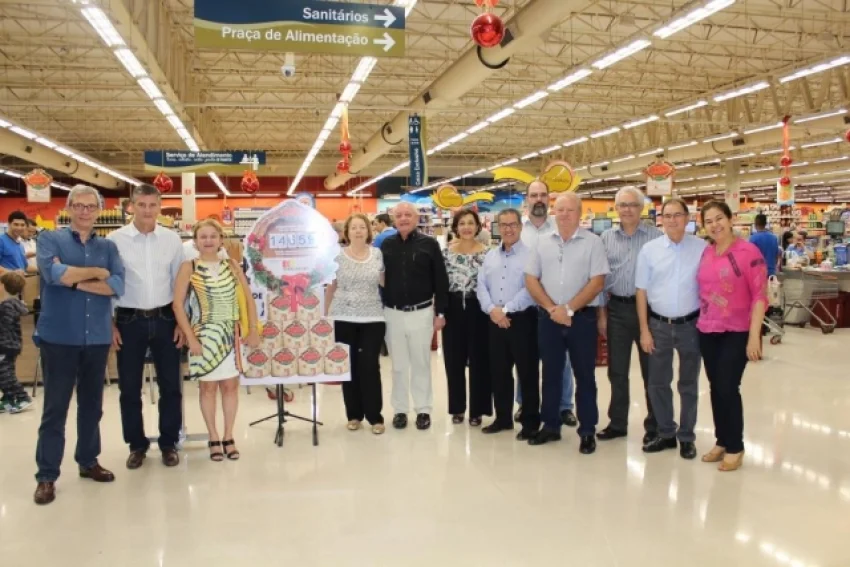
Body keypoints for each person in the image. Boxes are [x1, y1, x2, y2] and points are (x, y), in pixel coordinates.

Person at [33, 185, 125, 506]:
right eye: (79, 206)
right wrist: (96, 274)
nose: (85, 212)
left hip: (96, 338)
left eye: (91, 206)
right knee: (55, 408)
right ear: (69, 208)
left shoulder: (109, 247)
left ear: (99, 210)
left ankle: (88, 461)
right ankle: (47, 475)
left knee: (92, 407)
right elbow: (52, 273)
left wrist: (74, 280)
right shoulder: (49, 239)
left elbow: (117, 284)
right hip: (59, 337)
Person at [107, 184, 186, 470]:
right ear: (131, 206)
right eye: (141, 205)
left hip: (166, 318)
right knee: (129, 388)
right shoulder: (114, 241)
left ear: (160, 207)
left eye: (153, 205)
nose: (147, 211)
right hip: (128, 319)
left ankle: (168, 443)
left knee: (172, 387)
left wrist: (182, 321)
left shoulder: (171, 240)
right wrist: (110, 324)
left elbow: (180, 283)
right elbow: (108, 283)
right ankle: (137, 445)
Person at [525, 193, 609, 454]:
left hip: (582, 318)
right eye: (559, 209)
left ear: (580, 213)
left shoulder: (593, 243)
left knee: (585, 376)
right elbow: (531, 279)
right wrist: (553, 308)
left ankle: (587, 431)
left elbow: (597, 282)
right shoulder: (540, 243)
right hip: (548, 318)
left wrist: (570, 308)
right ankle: (550, 425)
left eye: (570, 210)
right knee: (550, 374)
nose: (564, 214)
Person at [173, 219, 259, 461]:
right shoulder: (188, 267)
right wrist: (191, 337)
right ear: (196, 241)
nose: (208, 241)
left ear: (221, 239)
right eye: (203, 236)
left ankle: (229, 435)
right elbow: (177, 305)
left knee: (231, 387)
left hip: (231, 335)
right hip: (202, 335)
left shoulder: (232, 265)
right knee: (208, 388)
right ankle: (213, 436)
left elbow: (248, 299)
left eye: (213, 236)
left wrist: (252, 329)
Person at [697, 200, 768, 472]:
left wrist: (754, 337)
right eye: (709, 221)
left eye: (719, 219)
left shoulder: (748, 252)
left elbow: (760, 296)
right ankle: (722, 440)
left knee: (728, 386)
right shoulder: (707, 253)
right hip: (707, 329)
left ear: (730, 219)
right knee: (716, 388)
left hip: (737, 332)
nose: (715, 225)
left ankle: (735, 445)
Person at [636, 198, 706, 460]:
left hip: (691, 325)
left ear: (688, 218)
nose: (673, 220)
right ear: (660, 219)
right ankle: (666, 433)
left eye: (678, 215)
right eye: (668, 215)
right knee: (657, 382)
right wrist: (644, 329)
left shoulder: (701, 249)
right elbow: (641, 291)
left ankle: (687, 436)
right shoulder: (650, 250)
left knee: (688, 383)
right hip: (658, 325)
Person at [597, 187, 662, 444]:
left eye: (633, 204)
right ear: (616, 208)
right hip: (617, 310)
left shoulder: (657, 237)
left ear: (641, 208)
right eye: (622, 205)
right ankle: (618, 422)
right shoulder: (606, 238)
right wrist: (602, 315)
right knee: (617, 371)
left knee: (652, 371)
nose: (627, 209)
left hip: (650, 312)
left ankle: (655, 424)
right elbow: (600, 280)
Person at [380, 201, 449, 431]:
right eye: (399, 215)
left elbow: (441, 281)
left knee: (421, 363)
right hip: (392, 313)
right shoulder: (386, 245)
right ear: (393, 219)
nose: (403, 218)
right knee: (398, 365)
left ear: (416, 217)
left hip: (421, 312)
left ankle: (423, 410)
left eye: (408, 214)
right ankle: (400, 410)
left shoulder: (429, 245)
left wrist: (441, 312)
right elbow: (379, 279)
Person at [518, 180, 576, 427]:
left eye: (543, 195)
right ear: (527, 199)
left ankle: (564, 406)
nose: (538, 199)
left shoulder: (562, 226)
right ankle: (525, 403)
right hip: (524, 305)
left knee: (562, 360)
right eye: (534, 195)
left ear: (549, 199)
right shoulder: (517, 230)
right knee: (526, 358)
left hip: (555, 306)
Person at [477, 208, 538, 436]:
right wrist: (493, 310)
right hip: (494, 321)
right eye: (504, 225)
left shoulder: (531, 255)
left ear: (520, 227)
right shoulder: (490, 256)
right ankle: (503, 418)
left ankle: (531, 422)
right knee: (499, 372)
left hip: (522, 320)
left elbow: (531, 289)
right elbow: (481, 286)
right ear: (497, 228)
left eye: (513, 225)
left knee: (527, 372)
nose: (508, 229)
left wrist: (505, 310)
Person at [326, 213, 387, 435]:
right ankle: (353, 415)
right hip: (343, 316)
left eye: (362, 227)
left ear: (368, 231)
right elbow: (331, 287)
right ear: (347, 232)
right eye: (354, 228)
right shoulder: (337, 257)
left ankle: (375, 416)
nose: (359, 231)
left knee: (370, 366)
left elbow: (384, 282)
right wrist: (325, 316)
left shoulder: (377, 254)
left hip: (373, 317)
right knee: (348, 368)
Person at [442, 209, 491, 426]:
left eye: (471, 223)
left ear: (478, 227)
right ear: (455, 227)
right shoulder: (446, 253)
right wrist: (440, 312)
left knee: (479, 360)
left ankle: (477, 410)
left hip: (479, 308)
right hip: (453, 308)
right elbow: (441, 286)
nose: (466, 227)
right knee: (454, 360)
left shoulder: (488, 253)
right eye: (462, 223)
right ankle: (457, 408)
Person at [0, 272, 32, 413]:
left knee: (6, 374)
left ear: (4, 286)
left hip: (5, 345)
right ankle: (8, 398)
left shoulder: (7, 306)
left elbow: (4, 326)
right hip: (11, 345)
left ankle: (22, 397)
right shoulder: (13, 304)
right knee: (5, 372)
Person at [0, 211, 29, 276]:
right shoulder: (1, 240)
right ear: (9, 224)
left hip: (19, 284)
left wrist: (42, 268)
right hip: (5, 284)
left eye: (22, 225)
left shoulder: (20, 245)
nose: (19, 228)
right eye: (16, 224)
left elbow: (25, 267)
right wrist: (12, 272)